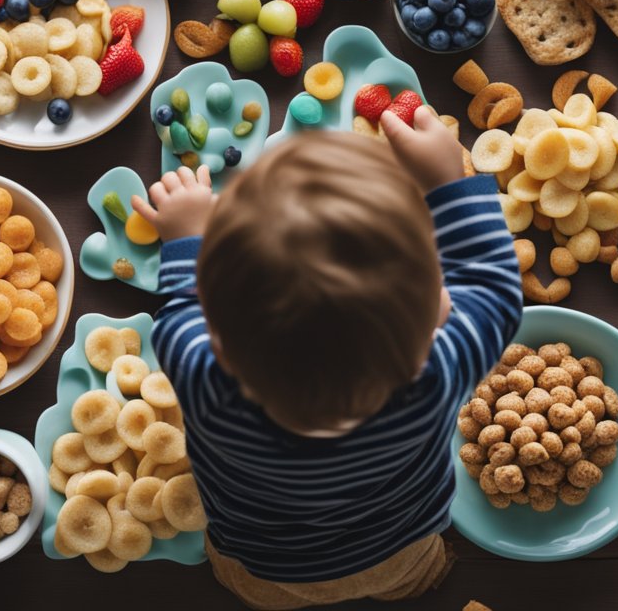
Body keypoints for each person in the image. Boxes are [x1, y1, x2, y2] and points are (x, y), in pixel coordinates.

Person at [131, 105, 522, 609]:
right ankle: (417, 584)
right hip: (399, 547)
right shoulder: (439, 375)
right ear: (430, 328)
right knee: (407, 576)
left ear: (221, 342)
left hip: (266, 565)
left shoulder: (201, 375)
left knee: (255, 589)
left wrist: (186, 235)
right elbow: (493, 284)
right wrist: (447, 179)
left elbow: (180, 303)